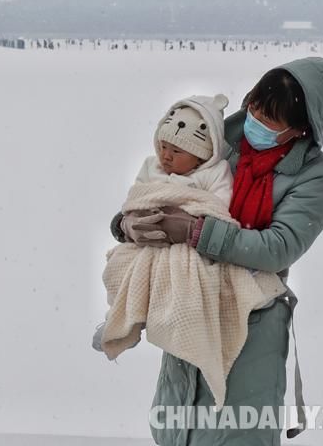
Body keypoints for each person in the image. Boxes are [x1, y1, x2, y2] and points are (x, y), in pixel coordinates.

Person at [115, 57, 323, 446]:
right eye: (255, 105)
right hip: (190, 301)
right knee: (178, 428)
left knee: (236, 432)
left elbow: (278, 247)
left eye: (270, 118)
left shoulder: (313, 176)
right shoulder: (221, 142)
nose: (254, 118)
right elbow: (168, 185)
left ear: (301, 127)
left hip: (252, 320)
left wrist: (195, 231)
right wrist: (126, 224)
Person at [94, 95, 286, 409]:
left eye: (176, 151)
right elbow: (138, 196)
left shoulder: (215, 173)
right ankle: (119, 317)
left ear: (200, 154)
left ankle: (186, 329)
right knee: (120, 264)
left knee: (185, 278)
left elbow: (219, 209)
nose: (165, 156)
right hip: (149, 239)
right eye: (163, 146)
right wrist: (132, 221)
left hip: (190, 246)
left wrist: (187, 219)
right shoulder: (152, 166)